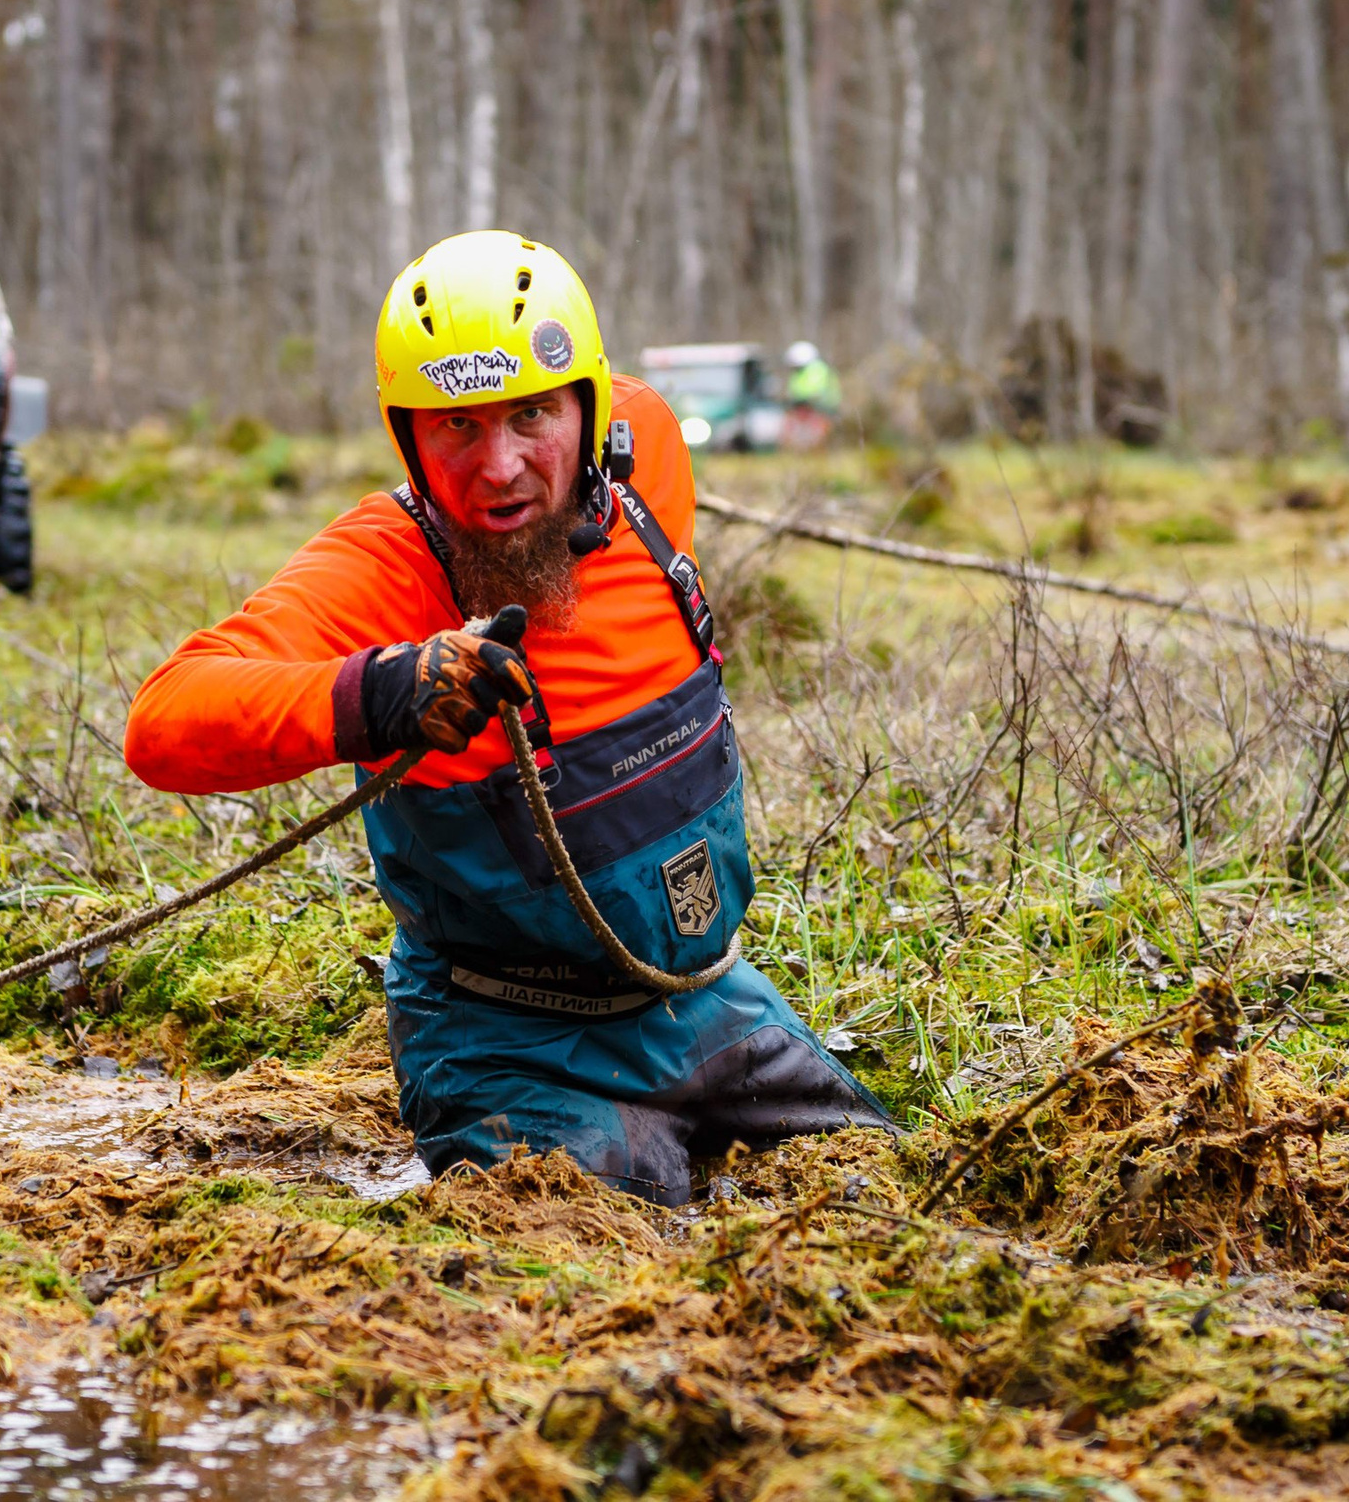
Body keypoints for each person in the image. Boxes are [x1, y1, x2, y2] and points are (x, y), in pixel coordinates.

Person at [124, 232, 893, 1205]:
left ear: (590, 405)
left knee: (887, 1194)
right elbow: (163, 720)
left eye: (532, 414)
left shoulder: (647, 452)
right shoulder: (383, 566)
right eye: (456, 428)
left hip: (710, 1004)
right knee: (605, 1284)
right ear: (407, 435)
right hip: (514, 1050)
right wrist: (383, 692)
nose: (499, 467)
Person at [780, 339, 840, 451]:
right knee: (789, 423)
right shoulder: (798, 373)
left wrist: (803, 400)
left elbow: (816, 392)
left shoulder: (818, 369)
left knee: (818, 427)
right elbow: (795, 392)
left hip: (821, 407)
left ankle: (817, 448)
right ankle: (795, 448)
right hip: (804, 406)